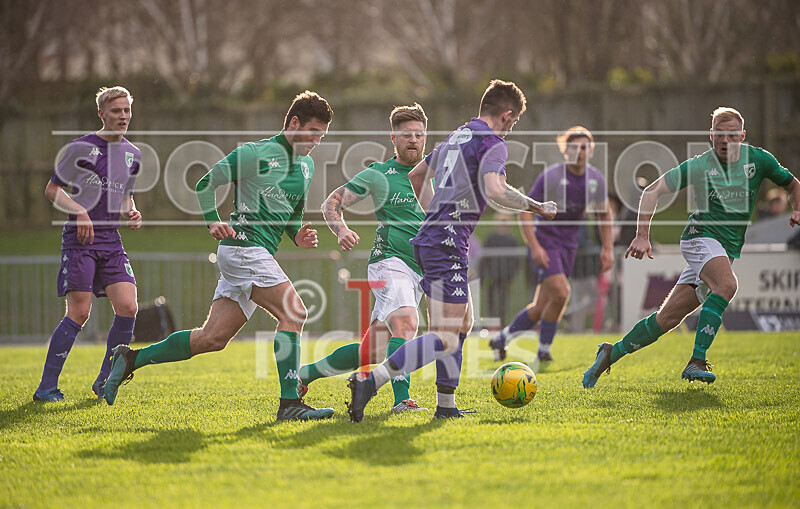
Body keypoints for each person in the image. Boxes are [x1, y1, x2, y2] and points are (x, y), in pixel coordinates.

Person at [104, 91, 337, 421]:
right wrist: (213, 218)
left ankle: (129, 359)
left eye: (322, 136)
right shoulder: (255, 152)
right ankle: (290, 403)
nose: (316, 141)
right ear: (294, 122)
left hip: (254, 254)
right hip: (244, 247)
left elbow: (292, 215)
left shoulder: (307, 166)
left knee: (212, 338)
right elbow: (205, 183)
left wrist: (297, 234)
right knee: (294, 312)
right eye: (313, 131)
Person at [346, 79, 557, 422]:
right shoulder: (492, 143)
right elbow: (496, 188)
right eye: (513, 123)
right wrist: (537, 206)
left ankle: (445, 407)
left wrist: (435, 215)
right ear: (506, 115)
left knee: (463, 324)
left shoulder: (457, 136)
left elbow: (416, 177)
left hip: (438, 240)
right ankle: (371, 381)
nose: (510, 130)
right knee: (444, 336)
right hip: (445, 245)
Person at [583, 107, 800, 388]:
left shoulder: (759, 160)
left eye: (732, 135)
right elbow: (652, 192)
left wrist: (797, 208)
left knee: (666, 319)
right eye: (719, 135)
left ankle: (610, 353)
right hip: (700, 238)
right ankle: (696, 361)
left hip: (723, 249)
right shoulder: (700, 165)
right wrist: (641, 235)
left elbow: (793, 184)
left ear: (742, 135)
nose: (725, 140)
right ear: (711, 136)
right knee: (727, 285)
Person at [298, 103, 429, 412]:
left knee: (372, 351)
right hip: (390, 262)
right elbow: (332, 203)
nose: (413, 140)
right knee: (407, 324)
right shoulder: (379, 174)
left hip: (421, 271)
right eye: (406, 135)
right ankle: (402, 401)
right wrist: (341, 230)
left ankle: (304, 374)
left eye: (419, 134)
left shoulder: (435, 175)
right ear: (393, 138)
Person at [33, 86, 142, 403]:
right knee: (79, 312)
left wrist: (131, 211)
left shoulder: (132, 154)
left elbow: (124, 195)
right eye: (116, 111)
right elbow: (53, 190)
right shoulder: (81, 148)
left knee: (128, 306)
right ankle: (46, 388)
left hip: (111, 240)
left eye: (126, 111)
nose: (122, 116)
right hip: (80, 241)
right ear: (102, 114)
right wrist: (79, 211)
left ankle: (105, 380)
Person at [490, 126, 613, 362]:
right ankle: (544, 351)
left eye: (585, 148)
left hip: (569, 245)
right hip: (546, 242)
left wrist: (608, 248)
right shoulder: (552, 176)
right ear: (565, 150)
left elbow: (604, 214)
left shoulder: (596, 179)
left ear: (591, 150)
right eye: (575, 147)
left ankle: (502, 338)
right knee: (562, 292)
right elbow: (524, 211)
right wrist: (535, 247)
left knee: (541, 305)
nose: (580, 152)